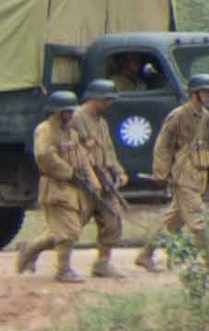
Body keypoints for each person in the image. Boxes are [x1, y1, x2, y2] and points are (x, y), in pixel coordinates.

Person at [14, 90, 90, 281]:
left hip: (72, 188)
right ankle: (63, 270)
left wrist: (86, 177)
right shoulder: (45, 130)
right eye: (67, 111)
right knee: (68, 231)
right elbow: (45, 155)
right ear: (56, 111)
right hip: (55, 186)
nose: (70, 115)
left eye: (72, 111)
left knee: (64, 230)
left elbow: (79, 157)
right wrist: (68, 172)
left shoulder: (71, 133)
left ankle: (30, 248)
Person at [157, 76, 209, 270]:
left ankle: (146, 254)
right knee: (199, 219)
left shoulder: (206, 116)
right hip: (183, 175)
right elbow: (163, 146)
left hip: (198, 175)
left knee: (173, 222)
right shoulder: (178, 115)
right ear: (195, 93)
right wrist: (161, 172)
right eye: (206, 92)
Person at [71, 90, 135, 265]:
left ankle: (103, 263)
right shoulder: (76, 118)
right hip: (83, 180)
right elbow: (71, 147)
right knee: (70, 227)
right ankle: (33, 248)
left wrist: (118, 171)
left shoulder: (102, 123)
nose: (109, 104)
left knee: (113, 220)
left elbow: (109, 151)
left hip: (103, 179)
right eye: (106, 100)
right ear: (95, 98)